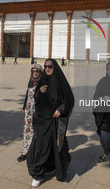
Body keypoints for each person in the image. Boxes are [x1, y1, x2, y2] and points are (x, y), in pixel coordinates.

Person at [27, 59, 74, 187]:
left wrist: (61, 109)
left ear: (55, 67)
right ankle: (38, 174)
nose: (47, 69)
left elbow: (69, 99)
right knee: (40, 146)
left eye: (50, 66)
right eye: (46, 66)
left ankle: (57, 168)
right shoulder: (43, 81)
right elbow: (35, 99)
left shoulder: (60, 82)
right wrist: (40, 93)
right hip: (41, 120)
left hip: (54, 120)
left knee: (57, 146)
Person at [17, 64, 43, 162]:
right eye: (33, 71)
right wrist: (24, 107)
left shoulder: (42, 83)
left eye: (37, 71)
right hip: (28, 112)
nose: (35, 73)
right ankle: (25, 152)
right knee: (27, 131)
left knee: (36, 132)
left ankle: (35, 153)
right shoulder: (31, 82)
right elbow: (27, 94)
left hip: (37, 112)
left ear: (40, 73)